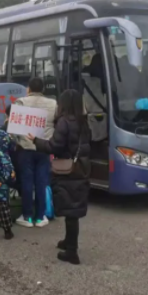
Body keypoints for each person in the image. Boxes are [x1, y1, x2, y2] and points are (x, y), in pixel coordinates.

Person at [29, 89, 91, 265]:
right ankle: (68, 241)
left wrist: (35, 141)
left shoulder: (64, 122)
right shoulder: (83, 122)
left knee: (71, 211)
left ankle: (72, 252)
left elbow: (54, 146)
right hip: (81, 168)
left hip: (68, 170)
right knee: (73, 209)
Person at [13, 78, 57, 228]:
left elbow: (13, 129)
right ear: (43, 89)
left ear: (29, 89)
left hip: (25, 149)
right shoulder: (53, 104)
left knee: (26, 182)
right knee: (41, 182)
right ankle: (40, 217)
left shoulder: (21, 102)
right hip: (44, 148)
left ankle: (27, 216)